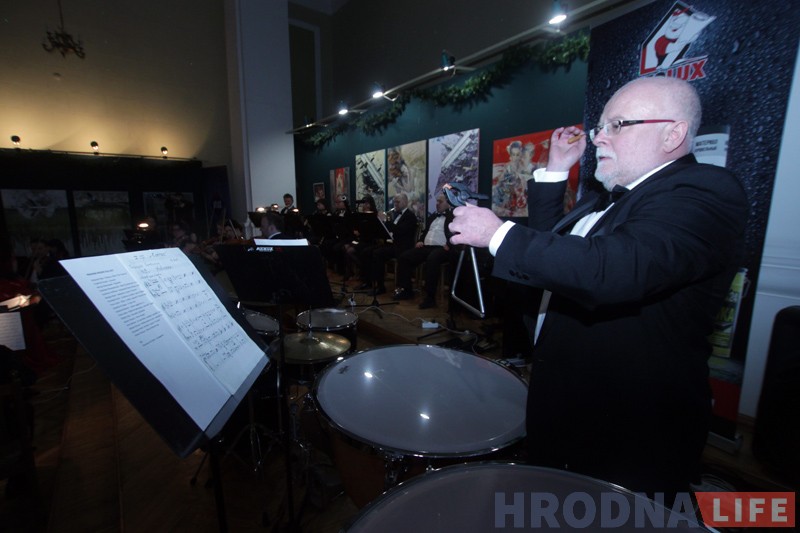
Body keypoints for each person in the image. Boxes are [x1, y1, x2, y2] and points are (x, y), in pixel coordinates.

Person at [448, 76, 748, 500]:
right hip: (565, 395)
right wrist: (556, 168)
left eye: (617, 125)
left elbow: (613, 270)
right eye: (600, 127)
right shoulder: (604, 196)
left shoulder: (705, 191)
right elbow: (556, 250)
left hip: (631, 421)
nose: (599, 138)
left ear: (673, 134)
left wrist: (498, 234)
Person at [393, 192, 454, 309]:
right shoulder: (432, 216)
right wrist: (420, 240)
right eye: (437, 201)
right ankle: (407, 290)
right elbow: (425, 232)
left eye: (440, 201)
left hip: (442, 248)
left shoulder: (452, 217)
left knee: (432, 259)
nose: (437, 204)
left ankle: (430, 298)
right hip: (426, 247)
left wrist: (449, 244)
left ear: (448, 203)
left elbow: (457, 233)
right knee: (404, 257)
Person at [356, 193, 417, 295]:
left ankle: (380, 287)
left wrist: (386, 220)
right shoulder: (395, 215)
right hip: (392, 244)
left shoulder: (410, 216)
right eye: (394, 202)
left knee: (377, 253)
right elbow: (389, 231)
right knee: (367, 251)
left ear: (405, 202)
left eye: (398, 202)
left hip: (402, 246)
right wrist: (381, 222)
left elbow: (400, 231)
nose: (395, 204)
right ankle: (368, 281)